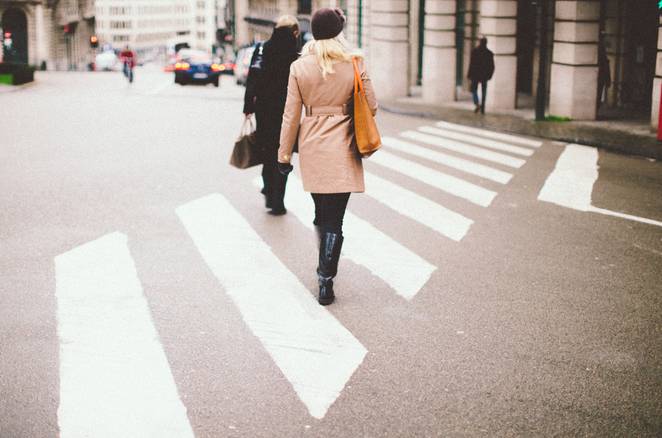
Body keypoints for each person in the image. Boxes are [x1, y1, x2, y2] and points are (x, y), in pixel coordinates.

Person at [277, 8, 378, 305]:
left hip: (312, 146)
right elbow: (371, 105)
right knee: (336, 218)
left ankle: (325, 267)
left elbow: (290, 115)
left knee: (322, 213)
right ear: (338, 32)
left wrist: (284, 155)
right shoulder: (354, 62)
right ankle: (326, 278)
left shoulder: (300, 67)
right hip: (344, 146)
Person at [243, 16, 300, 215]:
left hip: (265, 111)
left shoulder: (262, 49)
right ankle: (278, 201)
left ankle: (269, 192)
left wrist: (248, 106)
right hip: (288, 112)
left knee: (268, 152)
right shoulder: (296, 53)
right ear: (293, 31)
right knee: (283, 156)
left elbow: (253, 78)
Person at [467, 37, 495, 114]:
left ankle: (477, 103)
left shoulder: (475, 51)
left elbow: (471, 64)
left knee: (474, 89)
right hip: (484, 75)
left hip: (475, 74)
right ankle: (483, 107)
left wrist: (469, 74)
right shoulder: (489, 53)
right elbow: (492, 66)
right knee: (484, 92)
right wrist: (490, 75)